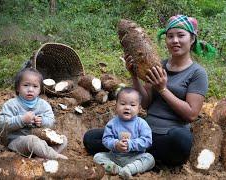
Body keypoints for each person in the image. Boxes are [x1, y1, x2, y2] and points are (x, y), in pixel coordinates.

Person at [84, 14, 214, 166]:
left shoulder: (197, 73)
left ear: (192, 39)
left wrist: (163, 89)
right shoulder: (157, 65)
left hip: (168, 136)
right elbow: (145, 103)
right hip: (143, 133)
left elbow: (191, 114)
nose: (175, 41)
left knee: (181, 141)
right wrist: (134, 76)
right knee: (91, 138)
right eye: (170, 36)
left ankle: (131, 154)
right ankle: (142, 155)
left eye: (181, 35)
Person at [0, 68, 68, 160]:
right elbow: (2, 124)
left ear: (40, 90)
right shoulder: (11, 104)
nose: (30, 89)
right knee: (32, 140)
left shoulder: (44, 105)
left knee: (63, 139)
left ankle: (42, 156)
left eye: (35, 86)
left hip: (41, 140)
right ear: (18, 88)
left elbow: (51, 122)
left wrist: (42, 121)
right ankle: (54, 156)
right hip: (18, 141)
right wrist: (21, 120)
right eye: (26, 85)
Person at [93, 87, 154, 179]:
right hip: (115, 156)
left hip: (135, 157)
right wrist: (116, 144)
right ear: (116, 106)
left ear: (139, 108)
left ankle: (129, 169)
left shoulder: (141, 123)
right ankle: (117, 169)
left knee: (150, 159)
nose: (127, 107)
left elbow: (147, 141)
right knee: (97, 157)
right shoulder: (112, 123)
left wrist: (131, 144)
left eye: (132, 105)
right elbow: (106, 139)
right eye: (122, 104)